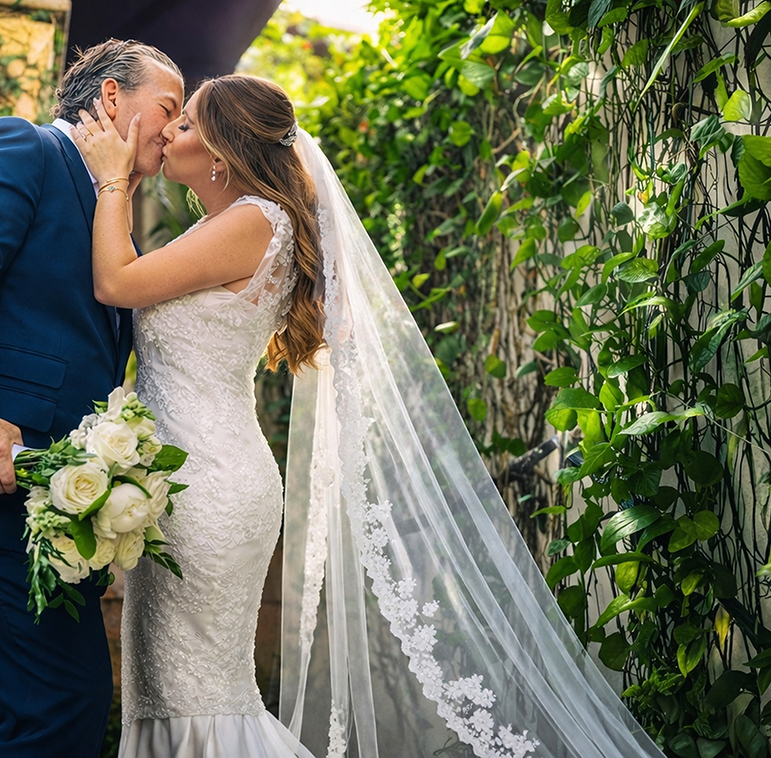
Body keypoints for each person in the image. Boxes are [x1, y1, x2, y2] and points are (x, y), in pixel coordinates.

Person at [72, 74, 668, 758]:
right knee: (173, 693)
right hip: (188, 476)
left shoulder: (252, 221)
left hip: (205, 489)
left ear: (221, 152)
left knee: (196, 697)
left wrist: (114, 179)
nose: (168, 133)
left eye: (185, 124)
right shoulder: (227, 224)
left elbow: (115, 282)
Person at [0, 40, 183, 758]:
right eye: (168, 110)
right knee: (64, 703)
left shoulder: (107, 203)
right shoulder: (18, 148)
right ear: (112, 99)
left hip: (47, 502)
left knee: (12, 714)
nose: (174, 131)